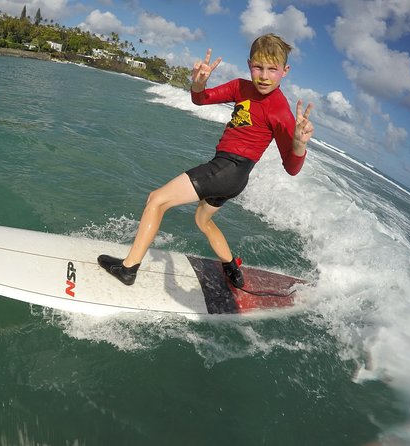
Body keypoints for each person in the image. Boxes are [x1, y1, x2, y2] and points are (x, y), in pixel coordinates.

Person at [98, 33, 314, 289]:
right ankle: (231, 265)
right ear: (249, 65)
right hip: (233, 177)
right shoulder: (240, 87)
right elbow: (200, 99)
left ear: (285, 71)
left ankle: (128, 268)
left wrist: (299, 144)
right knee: (203, 221)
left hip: (228, 170)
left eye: (272, 69)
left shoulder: (279, 109)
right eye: (258, 67)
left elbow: (291, 168)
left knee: (156, 200)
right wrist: (199, 83)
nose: (264, 76)